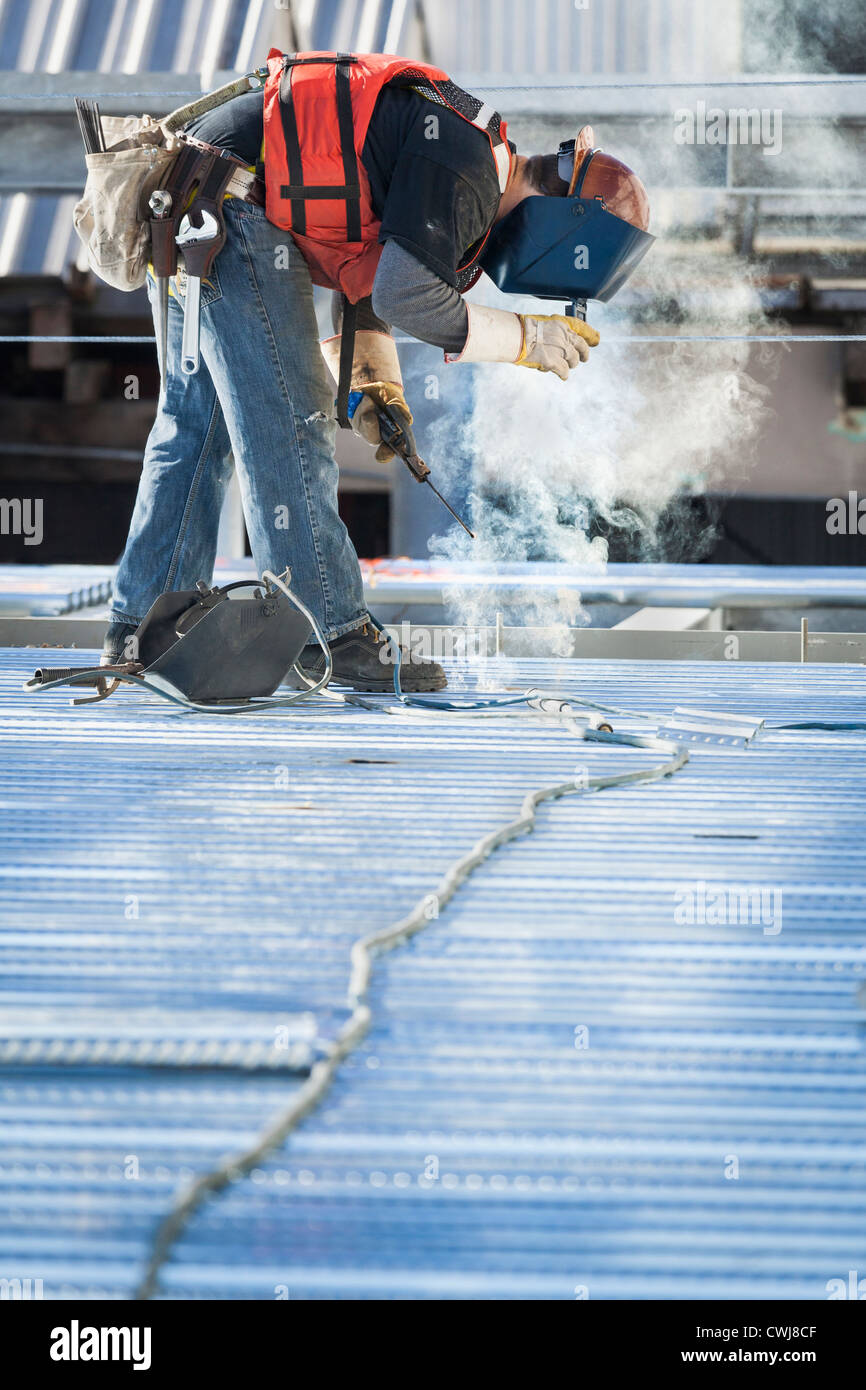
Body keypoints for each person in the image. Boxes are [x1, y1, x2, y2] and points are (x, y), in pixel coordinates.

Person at [103, 50, 651, 692]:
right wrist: (523, 339)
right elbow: (404, 292)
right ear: (561, 219)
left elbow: (363, 273)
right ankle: (330, 636)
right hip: (232, 208)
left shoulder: (461, 149)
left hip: (189, 201)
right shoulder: (470, 168)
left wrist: (373, 384)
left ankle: (140, 628)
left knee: (198, 425)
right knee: (290, 419)